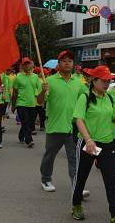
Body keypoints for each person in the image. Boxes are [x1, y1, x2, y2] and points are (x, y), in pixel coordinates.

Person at [71, 66, 115, 223]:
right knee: (81, 176)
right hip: (88, 143)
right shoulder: (85, 97)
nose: (107, 84)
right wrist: (88, 140)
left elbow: (108, 120)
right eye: (104, 81)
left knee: (110, 180)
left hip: (107, 144)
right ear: (94, 81)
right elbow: (78, 119)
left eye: (109, 81)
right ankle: (76, 204)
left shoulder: (109, 98)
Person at [36, 51, 87, 195]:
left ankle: (76, 184)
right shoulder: (49, 81)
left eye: (70, 61)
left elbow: (86, 98)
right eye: (64, 61)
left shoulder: (78, 83)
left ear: (73, 64)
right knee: (50, 155)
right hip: (55, 126)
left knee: (74, 157)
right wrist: (42, 91)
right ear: (58, 64)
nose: (67, 63)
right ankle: (45, 179)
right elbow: (39, 102)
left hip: (73, 127)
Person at [12, 57, 42, 147]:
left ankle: (21, 135)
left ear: (31, 65)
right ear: (22, 66)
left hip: (32, 103)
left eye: (28, 63)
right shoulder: (18, 77)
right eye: (25, 64)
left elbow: (39, 89)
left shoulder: (35, 77)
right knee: (25, 121)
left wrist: (42, 96)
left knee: (29, 122)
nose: (27, 65)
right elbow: (15, 92)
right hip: (21, 103)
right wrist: (13, 105)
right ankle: (29, 140)